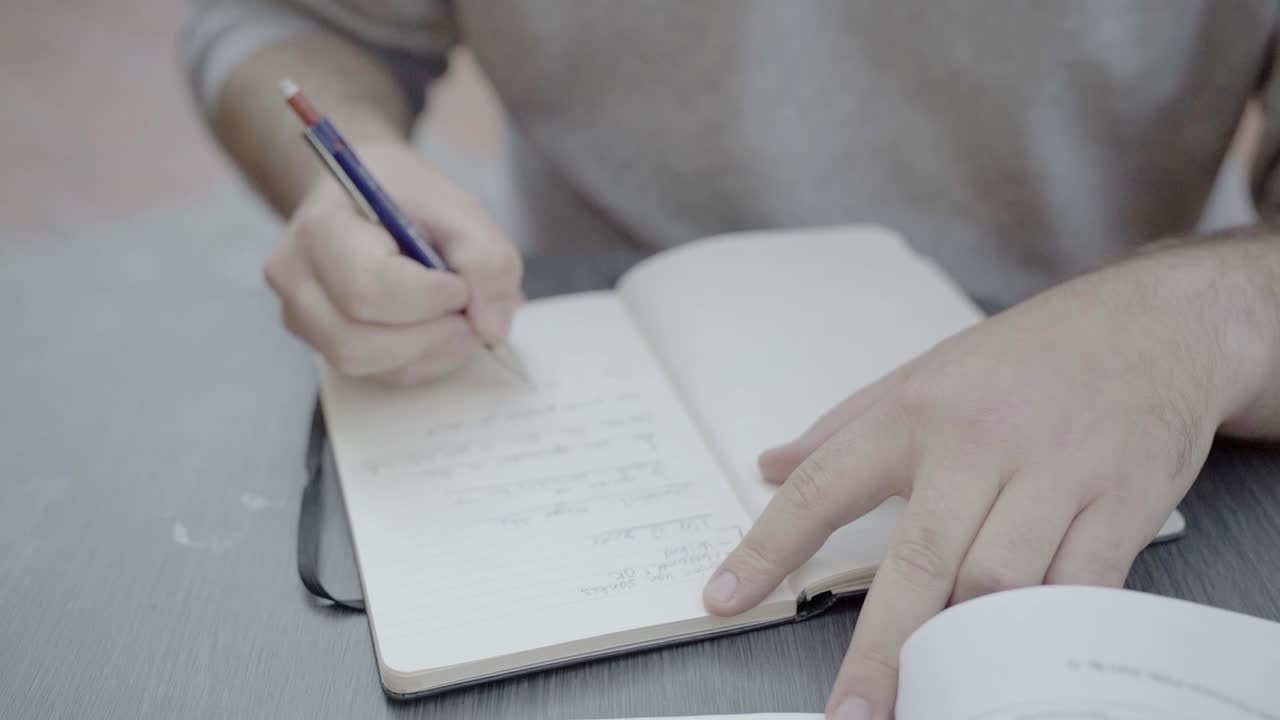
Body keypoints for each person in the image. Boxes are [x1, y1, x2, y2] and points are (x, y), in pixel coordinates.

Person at [183, 3, 1280, 718]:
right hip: (558, 331)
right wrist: (349, 170)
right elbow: (287, 23)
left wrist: (1191, 316)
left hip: (1116, 427)